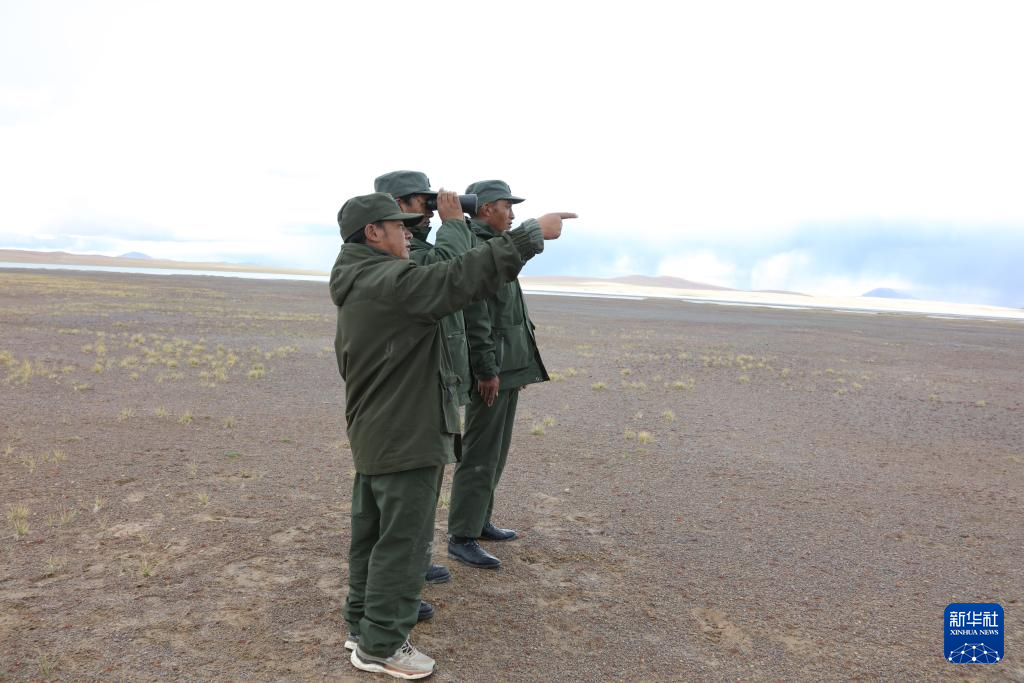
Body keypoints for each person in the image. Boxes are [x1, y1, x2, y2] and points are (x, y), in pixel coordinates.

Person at [330, 190, 573, 678]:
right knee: (403, 540)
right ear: (373, 233)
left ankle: (362, 626)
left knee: (373, 534)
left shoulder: (362, 276)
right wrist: (529, 235)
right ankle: (381, 645)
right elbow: (456, 278)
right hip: (408, 430)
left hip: (382, 428)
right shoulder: (390, 280)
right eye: (399, 225)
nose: (409, 231)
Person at [446, 180, 553, 570]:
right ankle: (462, 535)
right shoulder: (480, 249)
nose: (512, 215)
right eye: (508, 207)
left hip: (506, 369)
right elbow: (478, 317)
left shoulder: (495, 247)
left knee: (497, 451)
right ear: (488, 208)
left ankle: (479, 520)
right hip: (491, 372)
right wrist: (487, 370)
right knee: (479, 453)